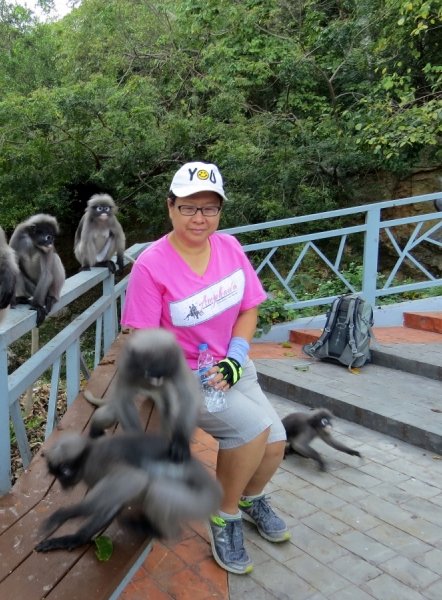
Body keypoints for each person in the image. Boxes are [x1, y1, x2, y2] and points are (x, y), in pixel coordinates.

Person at [120, 161, 288, 575]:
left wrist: (235, 357)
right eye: (189, 207)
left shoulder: (229, 248)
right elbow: (141, 338)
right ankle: (224, 514)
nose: (200, 218)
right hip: (183, 376)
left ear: (220, 211)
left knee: (276, 442)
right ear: (171, 208)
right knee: (252, 431)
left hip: (232, 364)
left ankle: (249, 497)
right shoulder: (151, 264)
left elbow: (249, 308)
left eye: (209, 208)